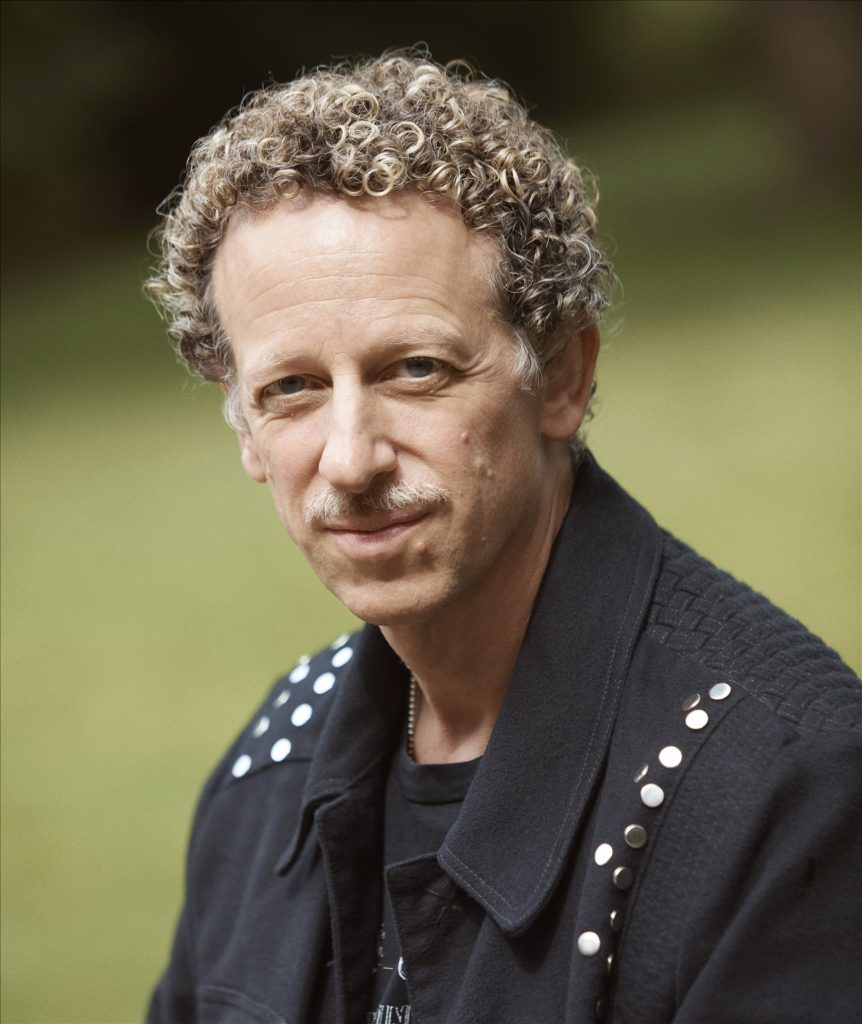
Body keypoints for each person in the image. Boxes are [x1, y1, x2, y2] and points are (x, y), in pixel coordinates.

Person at [146, 53, 861, 1024]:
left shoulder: (787, 795)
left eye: (415, 369)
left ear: (560, 376)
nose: (349, 459)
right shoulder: (267, 777)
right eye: (292, 388)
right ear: (244, 428)